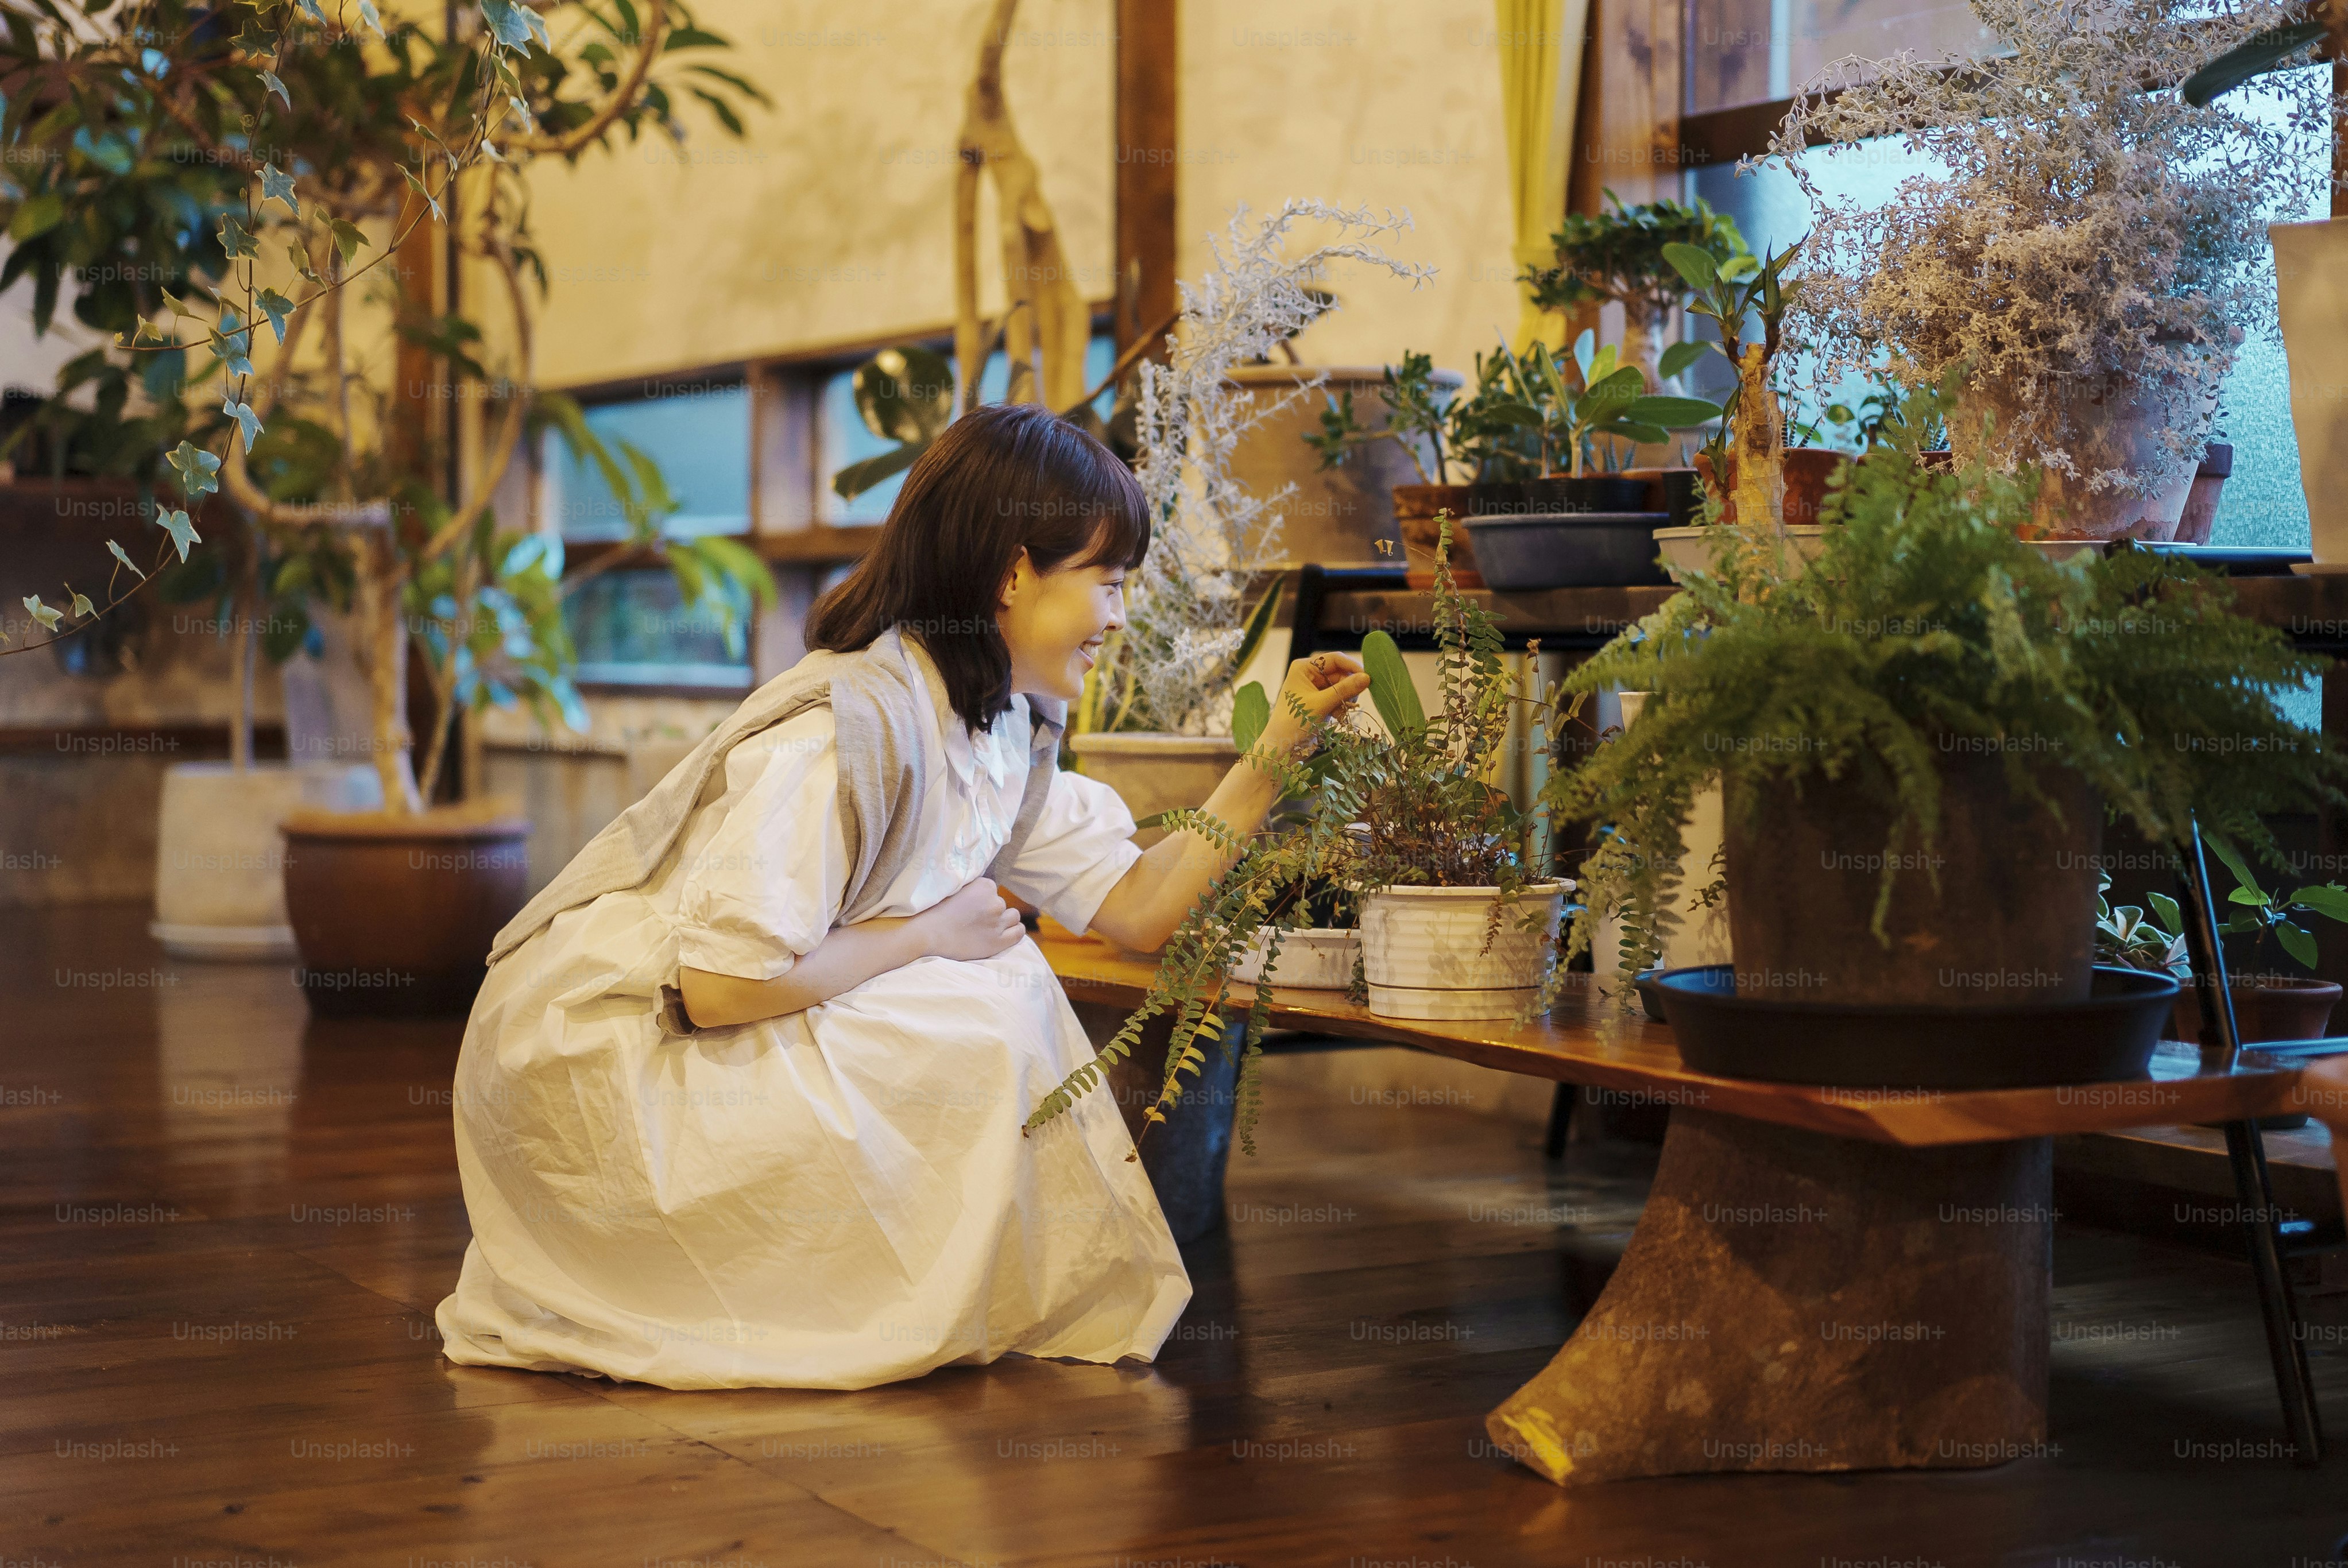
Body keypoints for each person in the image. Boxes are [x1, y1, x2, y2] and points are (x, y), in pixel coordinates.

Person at [434, 401, 1369, 1389]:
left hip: (745, 1000)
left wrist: (1276, 750)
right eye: (1108, 583)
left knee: (994, 986)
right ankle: (791, 1291)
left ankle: (896, 1292)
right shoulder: (845, 730)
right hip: (621, 1056)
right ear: (1014, 574)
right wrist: (926, 932)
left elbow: (1139, 911)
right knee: (983, 997)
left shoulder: (998, 725)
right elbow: (716, 991)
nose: (1120, 617)